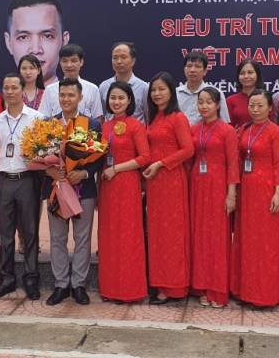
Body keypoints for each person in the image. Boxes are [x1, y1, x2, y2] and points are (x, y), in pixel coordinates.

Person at [42, 78, 104, 306]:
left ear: (80, 97)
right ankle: (60, 284)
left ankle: (78, 284)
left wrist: (85, 173)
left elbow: (99, 157)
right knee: (57, 238)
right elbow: (37, 154)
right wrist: (48, 171)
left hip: (83, 189)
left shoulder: (91, 124)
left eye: (71, 95)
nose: (66, 99)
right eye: (62, 95)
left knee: (82, 238)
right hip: (55, 188)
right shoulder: (48, 125)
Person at [0, 73, 44, 300]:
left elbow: (44, 151)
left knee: (30, 232)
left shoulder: (37, 118)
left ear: (23, 90)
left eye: (14, 87)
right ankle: (7, 279)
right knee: (5, 233)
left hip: (27, 180)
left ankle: (31, 279)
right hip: (3, 179)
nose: (10, 91)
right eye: (6, 87)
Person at [143, 72, 195, 305]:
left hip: (172, 180)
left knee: (172, 234)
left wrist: (161, 164)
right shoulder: (155, 118)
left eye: (161, 89)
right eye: (154, 90)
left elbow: (188, 149)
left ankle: (174, 287)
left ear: (171, 91)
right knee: (157, 234)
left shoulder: (177, 117)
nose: (157, 94)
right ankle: (159, 282)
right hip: (155, 183)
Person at [230, 90, 279, 308]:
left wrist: (278, 193)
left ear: (270, 108)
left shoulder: (276, 131)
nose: (255, 110)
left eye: (260, 106)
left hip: (266, 189)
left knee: (264, 242)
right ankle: (244, 290)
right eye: (252, 105)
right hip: (246, 189)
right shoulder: (245, 129)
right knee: (246, 239)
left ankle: (264, 295)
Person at [98, 82, 150, 303]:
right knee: (109, 235)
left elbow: (144, 157)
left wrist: (117, 168)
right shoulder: (105, 126)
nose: (116, 102)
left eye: (121, 98)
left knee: (128, 234)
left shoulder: (136, 126)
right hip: (107, 185)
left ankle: (129, 290)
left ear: (130, 100)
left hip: (127, 184)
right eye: (113, 98)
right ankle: (110, 289)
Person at [189, 87, 238, 308]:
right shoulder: (194, 128)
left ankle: (217, 289)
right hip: (197, 185)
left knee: (217, 237)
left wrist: (231, 194)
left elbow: (233, 164)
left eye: (209, 102)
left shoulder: (227, 130)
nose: (204, 106)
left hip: (219, 186)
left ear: (218, 105)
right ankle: (201, 285)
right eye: (201, 102)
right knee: (199, 235)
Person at [4, 0, 69, 88]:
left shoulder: (81, 94)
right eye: (23, 37)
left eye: (47, 36)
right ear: (8, 43)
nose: (35, 50)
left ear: (64, 41)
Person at [37, 45, 103, 120]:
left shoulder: (92, 89)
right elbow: (43, 118)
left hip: (84, 127)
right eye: (64, 61)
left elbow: (98, 118)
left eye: (73, 61)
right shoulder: (50, 89)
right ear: (60, 62)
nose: (69, 65)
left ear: (81, 62)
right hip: (57, 127)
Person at [99, 42, 149, 124]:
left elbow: (148, 118)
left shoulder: (144, 87)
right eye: (115, 58)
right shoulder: (104, 86)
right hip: (110, 131)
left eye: (123, 57)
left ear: (133, 61)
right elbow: (102, 116)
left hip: (136, 131)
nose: (119, 61)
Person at [177, 52, 229, 125]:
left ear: (205, 71)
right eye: (189, 66)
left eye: (197, 66)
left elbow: (224, 123)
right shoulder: (175, 93)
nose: (192, 70)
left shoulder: (216, 93)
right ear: (184, 70)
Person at [226, 60, 265, 129]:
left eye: (250, 72)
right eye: (242, 73)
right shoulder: (230, 100)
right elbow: (228, 127)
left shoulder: (265, 98)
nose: (246, 76)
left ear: (257, 74)